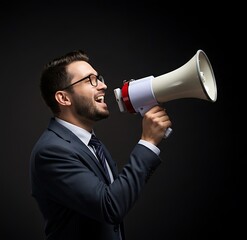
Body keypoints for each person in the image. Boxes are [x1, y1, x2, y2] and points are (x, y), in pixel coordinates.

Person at [29, 50, 172, 240]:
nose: (103, 86)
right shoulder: (52, 151)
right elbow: (110, 206)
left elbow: (115, 197)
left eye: (99, 78)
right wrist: (148, 142)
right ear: (64, 98)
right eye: (90, 80)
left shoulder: (92, 144)